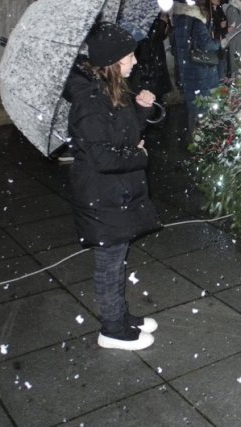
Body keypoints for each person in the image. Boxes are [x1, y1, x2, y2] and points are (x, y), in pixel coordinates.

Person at [62, 22, 160, 351]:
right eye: (129, 56)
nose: (135, 61)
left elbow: (126, 134)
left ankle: (120, 315)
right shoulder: (90, 101)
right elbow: (103, 157)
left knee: (117, 259)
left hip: (115, 193)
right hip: (101, 195)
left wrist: (143, 109)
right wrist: (140, 156)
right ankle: (112, 329)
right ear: (111, 62)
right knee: (109, 263)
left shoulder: (112, 90)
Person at [172, 0, 227, 132]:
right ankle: (204, 142)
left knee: (195, 108)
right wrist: (220, 42)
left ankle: (195, 139)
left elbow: (176, 46)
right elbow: (207, 45)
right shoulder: (196, 20)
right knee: (205, 107)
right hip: (202, 71)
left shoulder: (179, 19)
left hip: (187, 69)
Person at [129, 13, 172, 103]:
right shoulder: (141, 22)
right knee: (151, 102)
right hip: (147, 74)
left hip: (151, 72)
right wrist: (162, 23)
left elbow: (160, 37)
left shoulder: (147, 15)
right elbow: (151, 41)